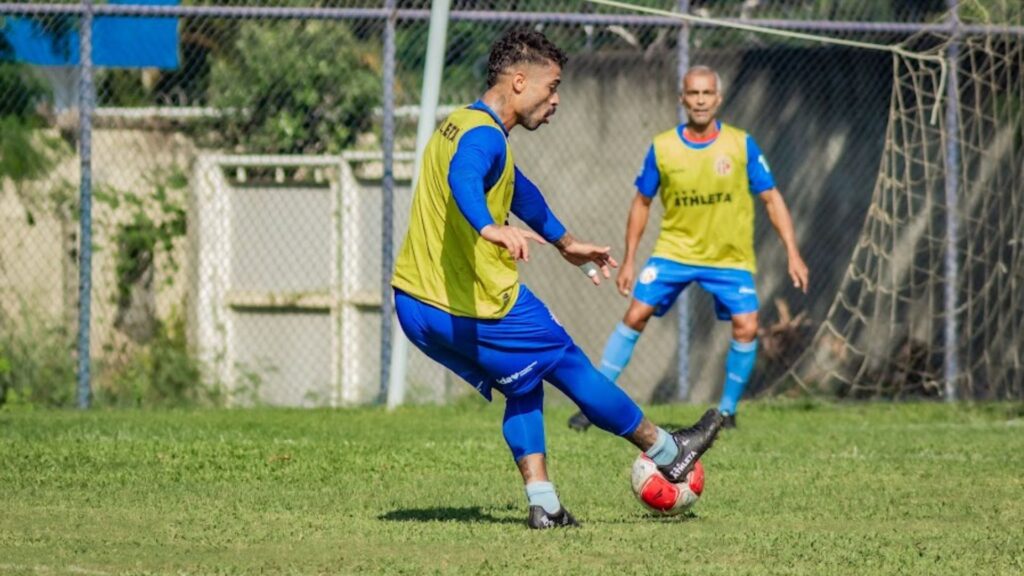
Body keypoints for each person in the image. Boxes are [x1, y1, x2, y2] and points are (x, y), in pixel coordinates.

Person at [391, 30, 723, 530]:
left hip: (416, 304)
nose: (556, 100)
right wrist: (488, 227)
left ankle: (543, 502)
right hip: (474, 302)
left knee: (523, 382)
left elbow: (519, 191)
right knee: (566, 359)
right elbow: (465, 176)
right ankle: (669, 450)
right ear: (520, 82)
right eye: (552, 87)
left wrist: (567, 244)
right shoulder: (482, 139)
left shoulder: (461, 123)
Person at [568, 65, 809, 432]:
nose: (699, 101)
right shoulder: (663, 147)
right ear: (682, 98)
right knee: (635, 315)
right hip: (674, 252)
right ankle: (594, 405)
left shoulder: (741, 145)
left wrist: (792, 252)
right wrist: (630, 259)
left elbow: (772, 199)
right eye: (693, 94)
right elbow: (641, 202)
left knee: (747, 326)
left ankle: (726, 412)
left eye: (706, 93)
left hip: (729, 257)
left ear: (718, 99)